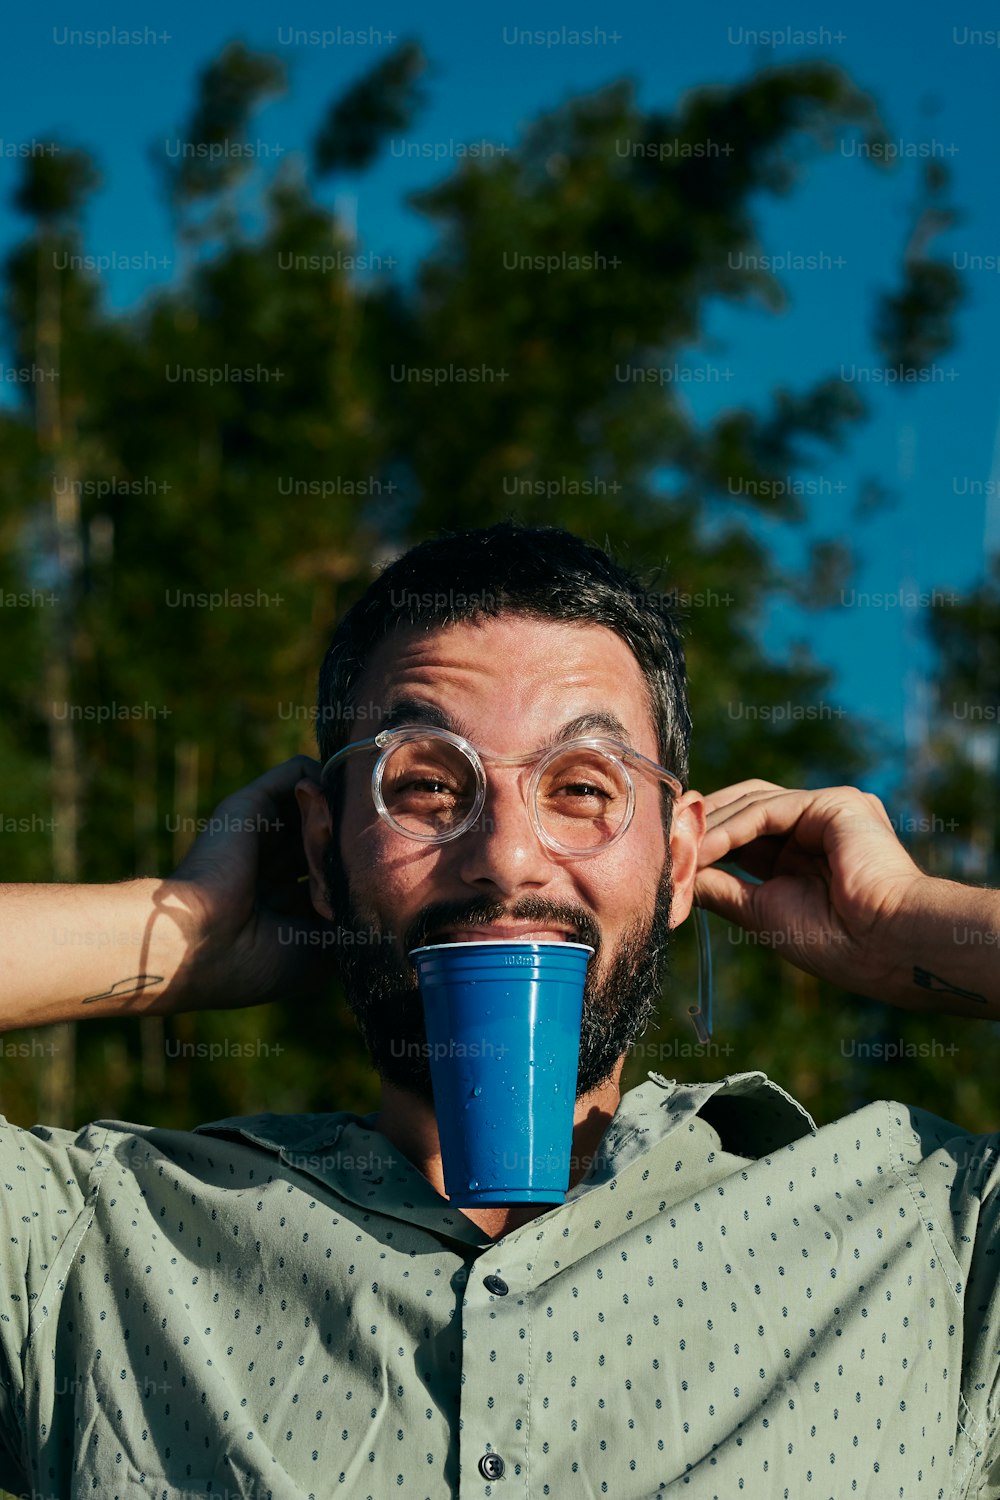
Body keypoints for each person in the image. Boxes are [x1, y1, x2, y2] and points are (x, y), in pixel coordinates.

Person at [1, 520, 998, 1498]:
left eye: (579, 787)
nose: (506, 858)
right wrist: (173, 934)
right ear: (317, 846)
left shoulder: (935, 1241)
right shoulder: (96, 1242)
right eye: (429, 785)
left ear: (681, 855)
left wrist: (918, 929)